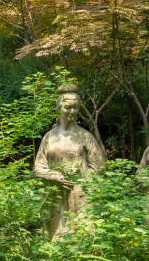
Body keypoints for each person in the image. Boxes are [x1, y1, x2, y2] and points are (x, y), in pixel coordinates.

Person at [34, 85, 105, 240]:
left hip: (79, 195)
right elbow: (38, 167)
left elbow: (99, 168)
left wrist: (79, 182)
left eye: (75, 108)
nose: (72, 112)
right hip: (55, 193)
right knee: (57, 237)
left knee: (80, 236)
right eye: (67, 108)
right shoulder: (49, 137)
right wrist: (54, 176)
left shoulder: (85, 137)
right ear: (59, 107)